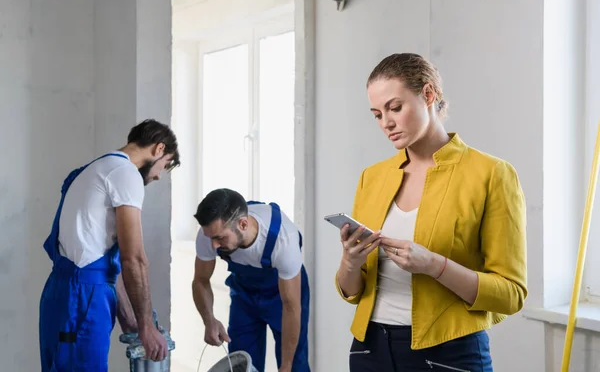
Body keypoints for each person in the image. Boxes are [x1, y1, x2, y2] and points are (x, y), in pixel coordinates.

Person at [334, 53, 527, 372]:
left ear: (428, 95)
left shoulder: (491, 173)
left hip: (449, 353)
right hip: (370, 350)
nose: (387, 123)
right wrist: (350, 261)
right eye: (377, 114)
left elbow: (511, 294)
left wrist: (434, 265)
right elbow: (352, 291)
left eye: (395, 108)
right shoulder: (373, 177)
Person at [39, 119, 181, 371]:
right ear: (159, 149)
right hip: (83, 296)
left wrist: (130, 317)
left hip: (65, 291)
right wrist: (147, 326)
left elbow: (103, 262)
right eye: (165, 164)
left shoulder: (93, 169)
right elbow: (133, 258)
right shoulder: (125, 173)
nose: (159, 175)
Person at [192, 188, 310, 372]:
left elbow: (291, 306)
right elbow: (200, 280)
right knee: (240, 362)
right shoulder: (210, 234)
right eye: (210, 238)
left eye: (220, 238)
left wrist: (286, 366)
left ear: (243, 225)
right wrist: (209, 319)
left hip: (283, 296)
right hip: (244, 294)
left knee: (295, 365)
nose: (214, 245)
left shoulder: (283, 240)